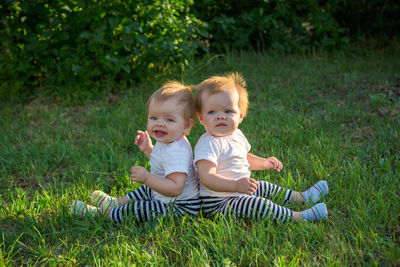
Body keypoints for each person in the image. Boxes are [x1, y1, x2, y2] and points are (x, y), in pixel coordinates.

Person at [194, 72, 328, 222]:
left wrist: (264, 163)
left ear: (240, 116)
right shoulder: (208, 143)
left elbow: (244, 158)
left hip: (239, 191)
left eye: (228, 111)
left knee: (262, 186)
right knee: (257, 204)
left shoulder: (237, 135)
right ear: (201, 118)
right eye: (212, 112)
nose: (220, 116)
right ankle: (299, 217)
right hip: (218, 203)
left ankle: (301, 197)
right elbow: (206, 177)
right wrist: (236, 185)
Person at [71, 81, 200, 222]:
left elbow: (175, 188)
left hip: (181, 207)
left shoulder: (177, 151)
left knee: (140, 207)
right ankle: (116, 203)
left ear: (187, 125)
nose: (159, 123)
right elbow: (163, 164)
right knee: (147, 189)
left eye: (169, 119)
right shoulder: (168, 140)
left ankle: (101, 214)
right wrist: (148, 149)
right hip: (167, 197)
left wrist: (148, 178)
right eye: (154, 118)